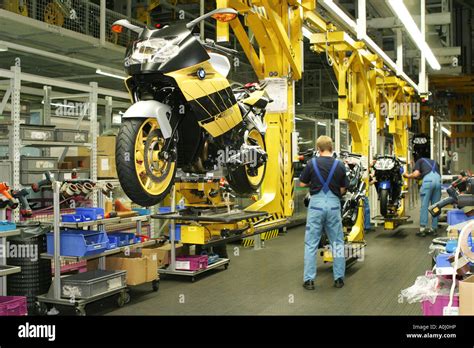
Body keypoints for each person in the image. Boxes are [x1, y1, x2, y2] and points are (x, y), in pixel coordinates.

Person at [299, 135, 349, 290]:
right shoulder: (339, 165)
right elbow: (343, 188)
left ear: (318, 149)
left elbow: (302, 183)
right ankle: (339, 279)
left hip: (316, 206)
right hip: (334, 205)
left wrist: (314, 183)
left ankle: (309, 280)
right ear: (332, 148)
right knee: (337, 243)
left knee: (311, 243)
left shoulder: (311, 163)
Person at [403, 157, 441, 236]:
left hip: (428, 182)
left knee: (424, 205)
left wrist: (407, 175)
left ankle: (422, 229)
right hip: (438, 181)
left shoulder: (419, 160)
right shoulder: (434, 162)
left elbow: (416, 174)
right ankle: (434, 228)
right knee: (436, 206)